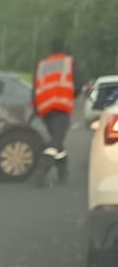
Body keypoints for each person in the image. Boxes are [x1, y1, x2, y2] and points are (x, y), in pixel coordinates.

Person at [31, 37, 76, 186]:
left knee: (57, 141)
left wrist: (36, 108)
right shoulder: (68, 62)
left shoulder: (42, 65)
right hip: (61, 106)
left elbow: (35, 87)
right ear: (63, 48)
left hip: (45, 109)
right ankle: (41, 172)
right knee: (55, 141)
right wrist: (70, 95)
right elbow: (80, 83)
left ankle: (63, 171)